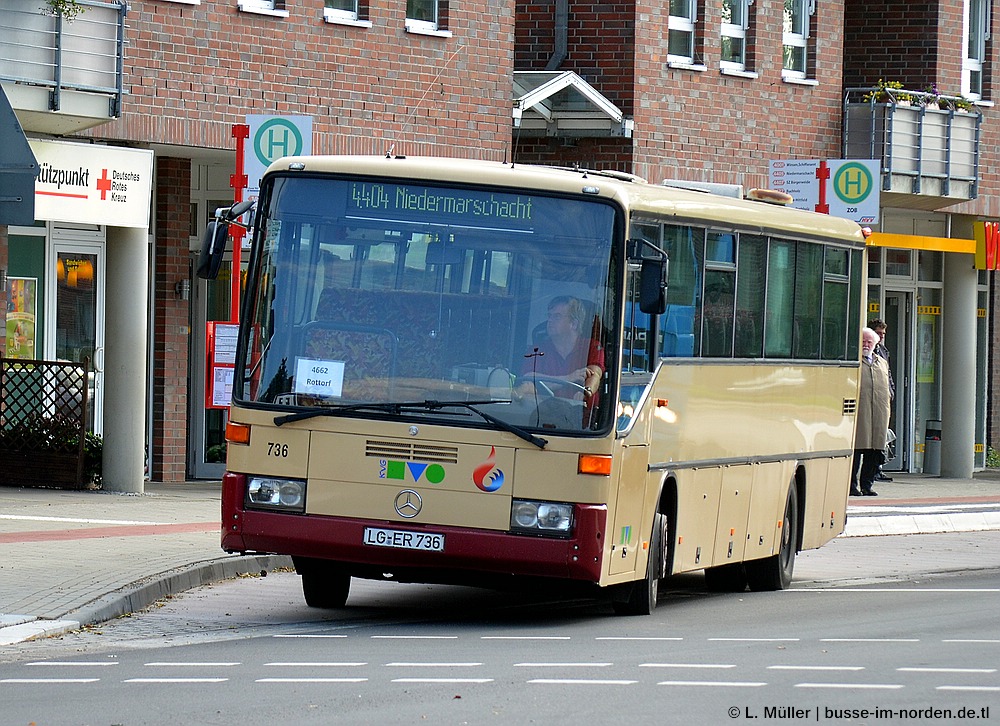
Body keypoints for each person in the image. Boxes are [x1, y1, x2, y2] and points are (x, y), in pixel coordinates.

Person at [519, 295, 605, 413]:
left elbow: (595, 375)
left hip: (582, 421)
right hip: (541, 416)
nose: (549, 321)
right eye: (549, 316)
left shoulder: (593, 347)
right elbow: (528, 378)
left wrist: (585, 391)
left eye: (557, 317)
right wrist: (568, 378)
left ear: (574, 324)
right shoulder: (537, 349)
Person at [851, 327, 892, 496]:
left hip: (879, 412)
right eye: (863, 341)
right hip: (861, 412)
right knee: (856, 451)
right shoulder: (855, 361)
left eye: (869, 341)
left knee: (875, 452)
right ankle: (852, 486)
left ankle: (867, 485)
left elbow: (889, 382)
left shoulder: (881, 362)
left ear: (875, 344)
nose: (866, 344)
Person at [868, 319, 895, 482]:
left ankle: (877, 469)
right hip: (868, 400)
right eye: (878, 333)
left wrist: (890, 391)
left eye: (883, 333)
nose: (881, 336)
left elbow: (887, 373)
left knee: (881, 437)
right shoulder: (866, 350)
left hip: (882, 399)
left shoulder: (883, 351)